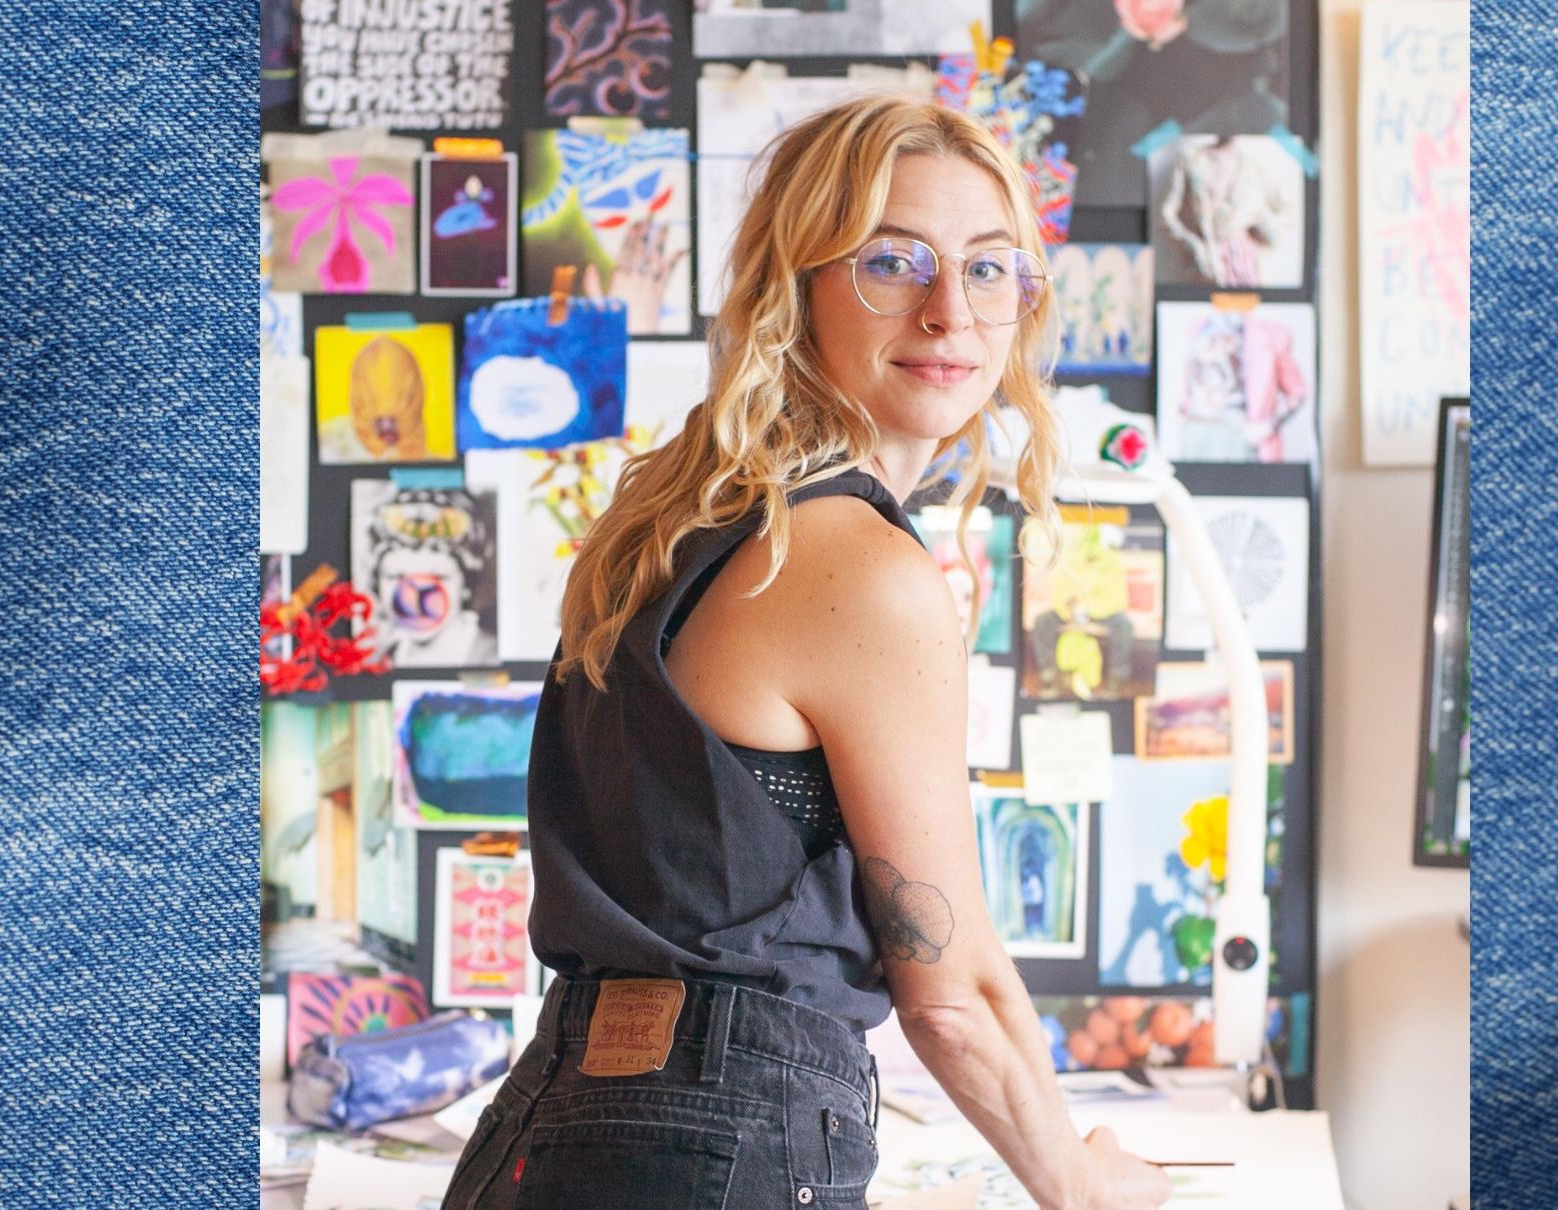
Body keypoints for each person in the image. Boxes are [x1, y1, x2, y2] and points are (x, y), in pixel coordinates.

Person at [438, 94, 1173, 1210]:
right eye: (893, 262)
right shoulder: (862, 571)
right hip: (703, 1147)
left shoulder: (671, 523)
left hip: (552, 1121)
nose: (948, 313)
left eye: (989, 269)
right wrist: (1078, 1182)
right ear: (796, 288)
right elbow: (950, 988)